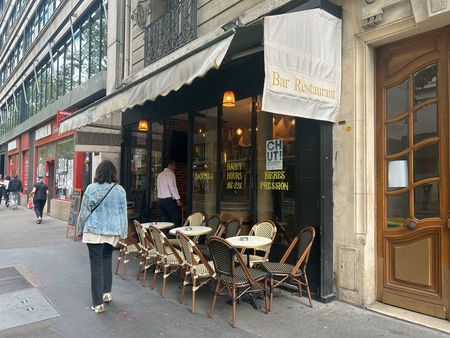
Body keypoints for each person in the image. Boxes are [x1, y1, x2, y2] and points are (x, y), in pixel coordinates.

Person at [77, 160, 127, 314]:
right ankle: (106, 293)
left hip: (93, 231)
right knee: (106, 260)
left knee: (96, 265)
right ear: (113, 173)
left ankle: (97, 304)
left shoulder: (91, 188)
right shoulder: (120, 190)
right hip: (111, 232)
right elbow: (122, 214)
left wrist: (79, 229)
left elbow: (84, 211)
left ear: (98, 172)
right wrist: (123, 233)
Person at [156, 159, 182, 227]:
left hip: (160, 200)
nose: (175, 167)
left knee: (164, 221)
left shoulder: (160, 175)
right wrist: (178, 200)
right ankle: (174, 236)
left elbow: (158, 187)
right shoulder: (170, 173)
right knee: (175, 219)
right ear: (170, 165)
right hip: (168, 201)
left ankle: (165, 236)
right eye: (174, 165)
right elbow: (173, 187)